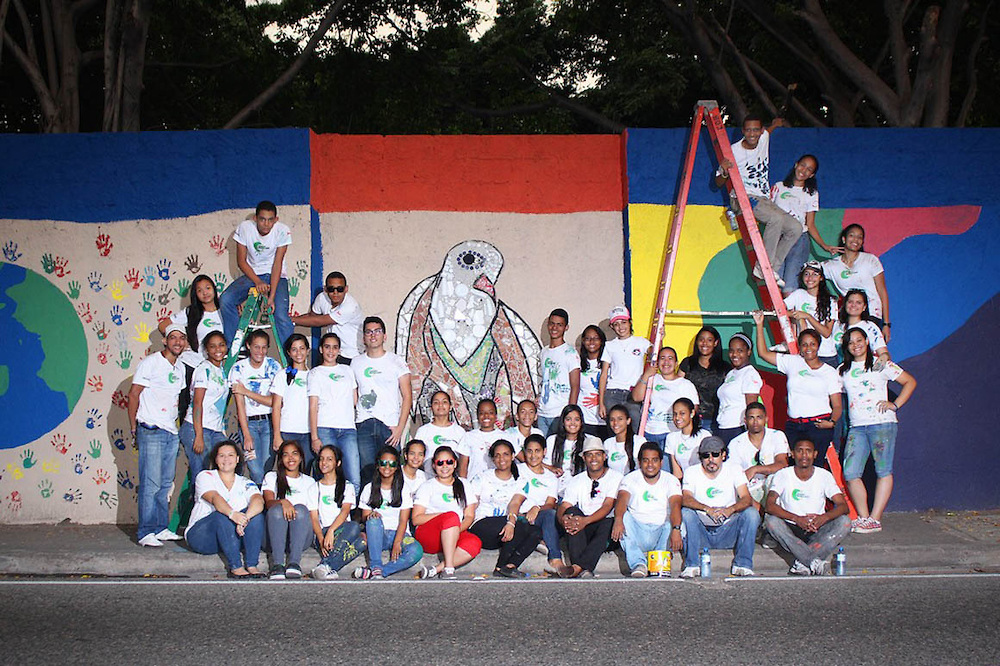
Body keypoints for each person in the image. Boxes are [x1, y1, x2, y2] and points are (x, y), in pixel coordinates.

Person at [839, 327, 917, 533]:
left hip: (882, 424)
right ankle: (864, 517)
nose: (855, 345)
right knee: (851, 472)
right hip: (857, 426)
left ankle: (875, 518)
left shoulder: (881, 364)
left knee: (883, 470)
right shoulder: (842, 370)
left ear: (866, 342)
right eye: (851, 342)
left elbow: (910, 381)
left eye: (859, 340)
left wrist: (895, 404)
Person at [715, 114, 798, 287]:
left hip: (764, 198)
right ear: (743, 131)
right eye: (748, 130)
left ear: (760, 131)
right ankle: (763, 267)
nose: (752, 134)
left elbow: (769, 129)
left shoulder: (763, 138)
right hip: (743, 198)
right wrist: (723, 170)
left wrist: (775, 124)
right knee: (776, 219)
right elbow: (718, 182)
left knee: (795, 228)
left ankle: (770, 268)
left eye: (756, 130)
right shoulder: (733, 151)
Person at [754, 313, 842, 467]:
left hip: (818, 426)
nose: (809, 348)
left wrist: (832, 422)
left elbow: (837, 406)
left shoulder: (829, 372)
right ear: (800, 347)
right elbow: (763, 354)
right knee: (794, 468)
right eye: (805, 344)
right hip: (794, 426)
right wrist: (759, 325)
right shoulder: (792, 362)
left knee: (815, 467)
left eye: (812, 344)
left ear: (818, 346)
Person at [128, 323, 188, 547]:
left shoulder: (179, 368)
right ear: (165, 340)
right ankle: (145, 532)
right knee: (150, 484)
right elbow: (134, 395)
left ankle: (161, 528)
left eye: (182, 338)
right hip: (150, 429)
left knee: (164, 484)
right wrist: (134, 428)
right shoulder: (150, 363)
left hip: (170, 431)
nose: (178, 342)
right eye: (173, 338)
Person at [765, 438, 851, 575]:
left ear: (815, 454)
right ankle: (812, 561)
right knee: (771, 521)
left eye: (808, 451)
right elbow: (769, 505)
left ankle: (801, 561)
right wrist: (797, 519)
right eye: (799, 451)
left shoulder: (824, 475)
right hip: (791, 527)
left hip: (817, 528)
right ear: (792, 454)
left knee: (845, 522)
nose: (804, 455)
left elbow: (843, 506)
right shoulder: (783, 475)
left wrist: (824, 517)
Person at [680, 436, 759, 577]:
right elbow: (686, 498)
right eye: (706, 455)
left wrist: (730, 510)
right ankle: (692, 564)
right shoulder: (691, 472)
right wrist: (707, 509)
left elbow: (746, 498)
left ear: (723, 455)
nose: (711, 459)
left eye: (715, 454)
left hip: (728, 530)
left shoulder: (734, 470)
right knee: (686, 513)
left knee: (751, 513)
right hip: (701, 531)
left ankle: (743, 564)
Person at [185, 441, 266, 578]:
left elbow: (258, 500)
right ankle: (236, 567)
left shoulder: (245, 482)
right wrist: (232, 514)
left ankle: (252, 564)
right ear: (216, 459)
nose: (226, 459)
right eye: (221, 456)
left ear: (237, 459)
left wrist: (245, 518)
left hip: (231, 536)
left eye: (230, 455)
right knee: (220, 515)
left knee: (256, 515)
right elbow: (215, 498)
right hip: (202, 537)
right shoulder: (205, 476)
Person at [219, 201, 293, 347]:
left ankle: (291, 357)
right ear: (255, 218)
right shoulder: (245, 228)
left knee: (281, 315)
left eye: (270, 220)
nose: (266, 224)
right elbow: (241, 261)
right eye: (262, 219)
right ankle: (232, 347)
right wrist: (257, 281)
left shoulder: (282, 230)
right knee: (226, 299)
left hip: (276, 276)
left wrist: (271, 297)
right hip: (252, 274)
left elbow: (277, 264)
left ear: (276, 220)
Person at [353, 316, 413, 488]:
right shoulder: (356, 363)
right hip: (363, 425)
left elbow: (407, 396)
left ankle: (393, 510)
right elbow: (353, 394)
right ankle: (368, 512)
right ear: (363, 337)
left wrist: (400, 428)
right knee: (367, 473)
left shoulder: (396, 361)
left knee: (392, 474)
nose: (373, 335)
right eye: (369, 332)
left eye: (377, 331)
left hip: (390, 426)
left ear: (384, 336)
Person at [469, 440, 543, 577]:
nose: (501, 459)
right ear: (492, 459)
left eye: (505, 454)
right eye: (497, 455)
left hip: (507, 530)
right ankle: (500, 566)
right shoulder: (482, 477)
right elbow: (473, 504)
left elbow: (515, 503)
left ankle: (510, 565)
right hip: (483, 524)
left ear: (513, 456)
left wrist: (510, 522)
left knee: (536, 531)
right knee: (520, 525)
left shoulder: (520, 481)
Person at [612, 442, 683, 577]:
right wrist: (618, 519)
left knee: (675, 522)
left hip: (661, 531)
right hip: (638, 531)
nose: (650, 465)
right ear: (639, 462)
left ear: (661, 462)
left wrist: (676, 529)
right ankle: (639, 564)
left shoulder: (671, 480)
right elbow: (622, 500)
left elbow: (675, 506)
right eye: (646, 460)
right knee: (624, 517)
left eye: (654, 460)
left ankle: (658, 562)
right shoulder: (630, 478)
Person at [769, 155, 839, 292]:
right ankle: (777, 313)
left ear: (812, 175)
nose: (804, 170)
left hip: (799, 240)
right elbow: (768, 213)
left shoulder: (811, 193)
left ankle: (789, 313)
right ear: (796, 165)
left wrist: (824, 246)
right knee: (774, 283)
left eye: (809, 169)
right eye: (802, 165)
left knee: (790, 286)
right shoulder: (779, 187)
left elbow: (810, 224)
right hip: (778, 238)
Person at [158, 274, 223, 419]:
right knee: (186, 407)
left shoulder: (225, 311)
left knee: (211, 408)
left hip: (215, 368)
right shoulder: (191, 312)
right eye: (200, 291)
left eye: (207, 288)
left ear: (214, 289)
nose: (205, 293)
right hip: (192, 364)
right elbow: (163, 325)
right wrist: (183, 340)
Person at [412, 446, 482, 580]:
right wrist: (444, 517)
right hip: (430, 535)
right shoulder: (427, 486)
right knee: (451, 516)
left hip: (454, 531)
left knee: (474, 542)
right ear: (434, 465)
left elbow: (469, 516)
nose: (445, 466)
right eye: (440, 463)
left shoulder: (464, 484)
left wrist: (454, 530)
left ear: (455, 463)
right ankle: (449, 569)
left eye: (449, 462)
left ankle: (436, 569)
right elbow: (416, 519)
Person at [354, 447, 424, 579]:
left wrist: (397, 542)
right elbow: (364, 515)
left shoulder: (403, 489)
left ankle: (380, 571)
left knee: (416, 551)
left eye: (392, 464)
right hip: (378, 534)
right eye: (383, 463)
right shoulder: (369, 488)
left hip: (399, 534)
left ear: (397, 467)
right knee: (373, 520)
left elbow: (404, 520)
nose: (387, 467)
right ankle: (375, 565)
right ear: (377, 465)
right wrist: (370, 516)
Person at [507, 434, 573, 577]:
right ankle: (551, 552)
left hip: (540, 517)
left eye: (537, 451)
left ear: (544, 452)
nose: (533, 455)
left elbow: (550, 504)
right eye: (529, 451)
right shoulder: (518, 469)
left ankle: (554, 558)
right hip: (519, 516)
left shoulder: (550, 477)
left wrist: (536, 508)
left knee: (551, 514)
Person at [557, 440, 623, 578]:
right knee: (571, 514)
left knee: (608, 522)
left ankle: (578, 567)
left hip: (605, 529)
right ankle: (583, 568)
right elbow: (564, 505)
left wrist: (585, 521)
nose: (594, 459)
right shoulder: (576, 480)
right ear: (584, 458)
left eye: (598, 454)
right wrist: (563, 519)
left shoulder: (616, 477)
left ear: (604, 457)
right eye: (590, 455)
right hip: (582, 527)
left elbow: (607, 506)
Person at [179, 331, 230, 501]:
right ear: (206, 349)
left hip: (214, 430)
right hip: (197, 429)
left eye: (221, 345)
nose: (218, 349)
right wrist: (198, 435)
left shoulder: (221, 371)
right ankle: (197, 515)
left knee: (227, 465)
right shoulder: (203, 369)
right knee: (200, 474)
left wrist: (222, 431)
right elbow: (198, 404)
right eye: (213, 346)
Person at [229, 329, 282, 485]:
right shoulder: (238, 368)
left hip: (269, 423)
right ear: (248, 346)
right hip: (249, 424)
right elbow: (240, 405)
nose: (260, 351)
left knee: (267, 469)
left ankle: (264, 504)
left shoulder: (273, 366)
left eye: (264, 347)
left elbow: (275, 401)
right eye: (256, 347)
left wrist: (246, 391)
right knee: (255, 469)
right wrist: (245, 434)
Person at [307, 332, 359, 490]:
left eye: (335, 347)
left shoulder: (347, 370)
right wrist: (315, 437)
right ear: (321, 349)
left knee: (354, 476)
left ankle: (349, 512)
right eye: (327, 347)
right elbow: (313, 406)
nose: (331, 351)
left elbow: (354, 400)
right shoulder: (315, 373)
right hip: (325, 428)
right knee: (328, 475)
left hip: (348, 429)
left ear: (339, 350)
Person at [823, 223, 892, 341]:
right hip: (851, 314)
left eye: (860, 237)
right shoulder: (832, 265)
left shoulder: (871, 260)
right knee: (851, 350)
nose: (856, 239)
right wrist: (826, 247)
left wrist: (886, 324)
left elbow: (882, 291)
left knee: (869, 351)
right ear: (844, 239)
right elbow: (810, 273)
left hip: (872, 313)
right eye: (852, 235)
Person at [308, 445, 366, 580]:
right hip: (322, 533)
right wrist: (321, 538)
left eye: (329, 459)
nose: (324, 463)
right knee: (354, 528)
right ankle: (329, 566)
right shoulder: (314, 487)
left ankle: (326, 566)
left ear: (337, 463)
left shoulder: (347, 486)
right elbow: (314, 519)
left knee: (362, 538)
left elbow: (345, 512)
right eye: (321, 459)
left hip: (339, 531)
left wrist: (331, 532)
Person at [262, 441, 318, 579]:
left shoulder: (309, 481)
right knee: (276, 510)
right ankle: (278, 565)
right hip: (274, 537)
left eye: (294, 453)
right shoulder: (271, 477)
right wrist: (282, 501)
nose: (290, 458)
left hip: (300, 538)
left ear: (301, 457)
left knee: (301, 509)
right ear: (280, 459)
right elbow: (268, 503)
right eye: (285, 455)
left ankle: (294, 563)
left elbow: (312, 514)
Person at [631, 346, 698, 448]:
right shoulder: (652, 379)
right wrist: (646, 375)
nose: (666, 362)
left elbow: (693, 410)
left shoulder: (686, 384)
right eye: (662, 358)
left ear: (676, 363)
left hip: (672, 433)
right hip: (649, 432)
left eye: (670, 358)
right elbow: (636, 397)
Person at [291, 271, 364, 363]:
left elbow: (319, 321)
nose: (335, 292)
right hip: (330, 353)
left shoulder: (351, 306)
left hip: (350, 355)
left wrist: (291, 320)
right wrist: (290, 321)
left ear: (346, 289)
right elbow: (312, 316)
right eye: (331, 289)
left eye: (340, 289)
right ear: (325, 289)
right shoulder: (322, 298)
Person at [598, 306, 651, 431]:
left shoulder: (641, 342)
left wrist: (661, 337)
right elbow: (604, 374)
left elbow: (655, 354)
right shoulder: (609, 346)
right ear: (612, 327)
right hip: (613, 393)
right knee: (614, 430)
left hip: (633, 394)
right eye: (616, 324)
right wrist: (601, 403)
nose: (621, 327)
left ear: (630, 322)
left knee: (636, 428)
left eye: (623, 322)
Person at [726, 402, 790, 506]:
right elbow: (734, 474)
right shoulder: (735, 443)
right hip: (749, 489)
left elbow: (782, 464)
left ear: (766, 419)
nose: (755, 422)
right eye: (751, 418)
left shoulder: (777, 435)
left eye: (759, 417)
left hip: (773, 486)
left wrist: (755, 469)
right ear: (745, 420)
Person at [270, 334, 312, 471]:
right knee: (286, 472)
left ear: (308, 350)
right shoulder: (281, 375)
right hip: (287, 431)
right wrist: (277, 435)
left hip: (308, 432)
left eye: (302, 348)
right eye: (294, 349)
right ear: (288, 352)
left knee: (305, 471)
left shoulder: (315, 375)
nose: (298, 353)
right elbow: (276, 407)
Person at [784, 261, 839, 365]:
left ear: (821, 278)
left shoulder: (831, 301)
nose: (810, 278)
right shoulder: (798, 294)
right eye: (806, 274)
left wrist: (808, 316)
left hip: (826, 355)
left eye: (815, 274)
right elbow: (779, 311)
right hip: (805, 353)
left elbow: (827, 333)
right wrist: (797, 316)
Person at [679, 326, 731, 433]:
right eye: (701, 339)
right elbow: (676, 386)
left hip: (716, 421)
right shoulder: (687, 363)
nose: (704, 343)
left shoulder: (725, 368)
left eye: (709, 340)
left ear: (716, 343)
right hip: (690, 420)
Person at [537, 308, 581, 436]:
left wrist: (569, 414)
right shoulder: (544, 352)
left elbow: (575, 386)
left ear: (566, 327)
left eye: (559, 324)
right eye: (552, 323)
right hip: (542, 413)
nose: (554, 328)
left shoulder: (570, 353)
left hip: (559, 413)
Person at [715, 333, 763, 445]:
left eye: (740, 350)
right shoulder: (731, 373)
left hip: (737, 428)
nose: (734, 354)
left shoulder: (750, 374)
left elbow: (752, 408)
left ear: (749, 352)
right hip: (723, 427)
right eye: (731, 350)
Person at [545, 404, 600, 492]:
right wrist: (552, 468)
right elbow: (543, 465)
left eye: (576, 419)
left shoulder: (590, 440)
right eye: (568, 419)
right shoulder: (552, 440)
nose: (572, 423)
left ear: (581, 422)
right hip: (555, 489)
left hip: (581, 489)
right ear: (563, 422)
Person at [415, 390, 468, 472]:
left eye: (444, 402)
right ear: (431, 407)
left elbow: (464, 460)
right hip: (429, 479)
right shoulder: (423, 431)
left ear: (450, 406)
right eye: (436, 402)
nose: (440, 405)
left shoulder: (459, 431)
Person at [830, 289, 890, 363]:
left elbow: (884, 354)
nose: (853, 305)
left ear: (864, 307)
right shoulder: (836, 325)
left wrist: (881, 361)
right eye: (850, 302)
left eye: (858, 302)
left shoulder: (870, 327)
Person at [456, 398, 506, 480]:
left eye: (490, 412)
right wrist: (464, 486)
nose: (486, 416)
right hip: (474, 485)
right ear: (477, 416)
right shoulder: (469, 436)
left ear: (496, 415)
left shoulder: (504, 436)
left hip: (498, 484)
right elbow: (463, 467)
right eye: (482, 413)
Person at [665, 398, 712, 479]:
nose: (677, 418)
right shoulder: (671, 438)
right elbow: (677, 473)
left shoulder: (704, 435)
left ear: (692, 413)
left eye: (682, 413)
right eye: (675, 414)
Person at [578, 325, 608, 440]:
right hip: (585, 420)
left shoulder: (608, 363)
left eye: (596, 338)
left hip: (604, 420)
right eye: (587, 338)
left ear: (601, 341)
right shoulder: (578, 362)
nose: (591, 342)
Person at [603, 404, 646, 476]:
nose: (615, 423)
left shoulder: (639, 441)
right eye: (612, 420)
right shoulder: (608, 443)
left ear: (628, 421)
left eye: (620, 419)